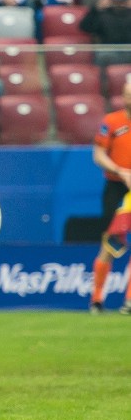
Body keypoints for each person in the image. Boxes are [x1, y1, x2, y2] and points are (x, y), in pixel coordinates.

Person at [90, 80, 131, 314]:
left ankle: (129, 301)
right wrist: (120, 171)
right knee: (109, 242)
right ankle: (96, 300)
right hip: (115, 187)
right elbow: (98, 154)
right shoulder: (111, 122)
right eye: (127, 95)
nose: (130, 100)